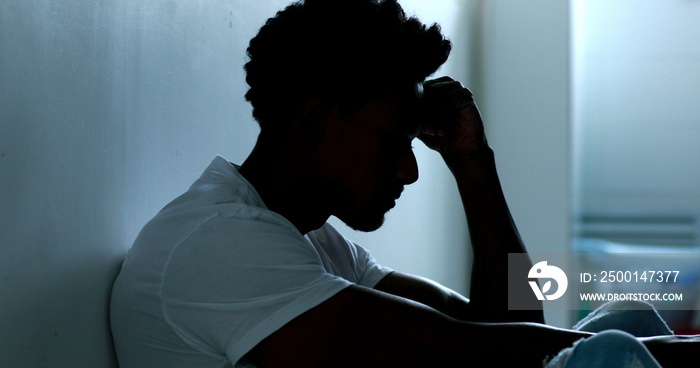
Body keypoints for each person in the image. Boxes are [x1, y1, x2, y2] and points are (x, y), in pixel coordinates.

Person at [110, 0, 697, 367]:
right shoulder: (221, 242)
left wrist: (473, 161)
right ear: (316, 121)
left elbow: (498, 326)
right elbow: (467, 353)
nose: (408, 170)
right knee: (617, 355)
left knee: (634, 319)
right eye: (392, 143)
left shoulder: (310, 239)